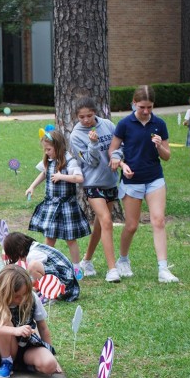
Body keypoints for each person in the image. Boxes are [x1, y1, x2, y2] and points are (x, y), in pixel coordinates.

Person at [108, 85, 179, 283]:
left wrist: (159, 146)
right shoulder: (124, 124)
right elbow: (113, 151)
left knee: (158, 220)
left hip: (154, 178)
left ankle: (163, 269)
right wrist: (121, 164)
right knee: (131, 225)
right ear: (134, 103)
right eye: (142, 107)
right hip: (132, 181)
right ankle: (123, 260)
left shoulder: (160, 124)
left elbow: (167, 156)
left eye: (149, 107)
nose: (146, 111)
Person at [70, 97, 125, 283]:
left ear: (95, 112)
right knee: (107, 221)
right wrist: (93, 144)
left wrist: (117, 156)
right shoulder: (76, 135)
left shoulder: (108, 125)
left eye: (89, 116)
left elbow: (119, 146)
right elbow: (90, 162)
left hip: (110, 181)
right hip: (92, 184)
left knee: (101, 225)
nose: (86, 120)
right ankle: (112, 269)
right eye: (81, 117)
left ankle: (87, 260)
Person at [25, 129, 91, 272]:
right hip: (51, 205)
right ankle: (46, 265)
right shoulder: (49, 160)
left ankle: (76, 268)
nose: (46, 152)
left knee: (70, 239)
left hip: (67, 206)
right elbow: (44, 173)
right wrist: (32, 186)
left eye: (49, 149)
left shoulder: (69, 161)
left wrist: (62, 177)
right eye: (45, 149)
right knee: (49, 238)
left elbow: (79, 178)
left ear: (58, 147)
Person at [0, 264, 62, 378]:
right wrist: (15, 331)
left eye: (24, 294)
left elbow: (43, 328)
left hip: (28, 346)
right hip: (8, 347)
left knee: (50, 365)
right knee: (3, 319)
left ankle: (22, 366)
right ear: (4, 292)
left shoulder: (32, 298)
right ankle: (7, 363)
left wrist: (52, 355)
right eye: (16, 296)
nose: (21, 299)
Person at [3, 231, 80, 302]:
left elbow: (38, 276)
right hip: (65, 280)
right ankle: (44, 291)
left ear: (19, 250)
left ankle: (49, 294)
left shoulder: (33, 255)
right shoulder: (34, 247)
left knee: (33, 267)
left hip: (66, 285)